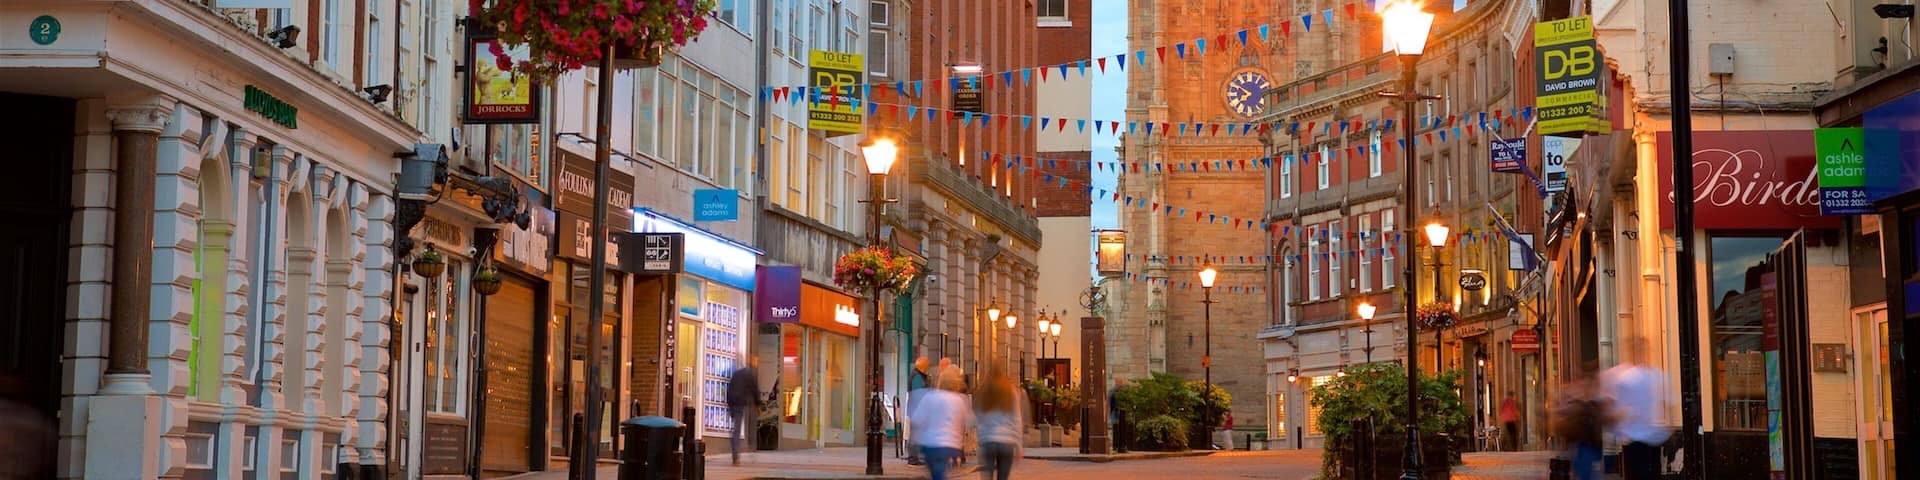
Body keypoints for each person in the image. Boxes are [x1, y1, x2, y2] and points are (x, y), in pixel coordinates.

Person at [1603, 336, 1671, 480]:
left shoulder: (1627, 377)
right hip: (1644, 437)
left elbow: (1614, 409)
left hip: (1644, 437)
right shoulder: (1634, 377)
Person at [910, 368, 974, 480]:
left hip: (930, 444)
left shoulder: (929, 397)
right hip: (950, 444)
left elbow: (917, 419)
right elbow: (969, 421)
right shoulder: (959, 399)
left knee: (936, 471)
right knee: (939, 471)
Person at [1552, 364, 1610, 480]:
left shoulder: (1592, 398)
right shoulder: (1582, 397)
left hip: (1591, 446)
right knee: (1587, 474)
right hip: (1584, 446)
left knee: (1588, 474)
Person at [974, 372, 1024, 480]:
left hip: (988, 440)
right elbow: (1017, 418)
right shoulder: (1010, 391)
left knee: (987, 477)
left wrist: (979, 437)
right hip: (1006, 440)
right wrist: (1019, 444)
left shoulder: (983, 391)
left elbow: (977, 416)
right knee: (1003, 477)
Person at [726, 356, 762, 465]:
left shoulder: (737, 374)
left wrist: (729, 403)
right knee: (737, 430)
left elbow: (730, 388)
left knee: (735, 429)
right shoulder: (750, 374)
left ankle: (735, 453)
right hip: (739, 403)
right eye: (756, 361)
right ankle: (735, 456)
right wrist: (757, 405)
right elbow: (755, 390)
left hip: (733, 402)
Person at [907, 357, 931, 465]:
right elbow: (918, 395)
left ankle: (915, 457)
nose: (928, 367)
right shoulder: (917, 377)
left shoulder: (918, 376)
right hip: (917, 410)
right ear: (923, 366)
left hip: (916, 409)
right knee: (915, 434)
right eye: (927, 365)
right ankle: (913, 458)